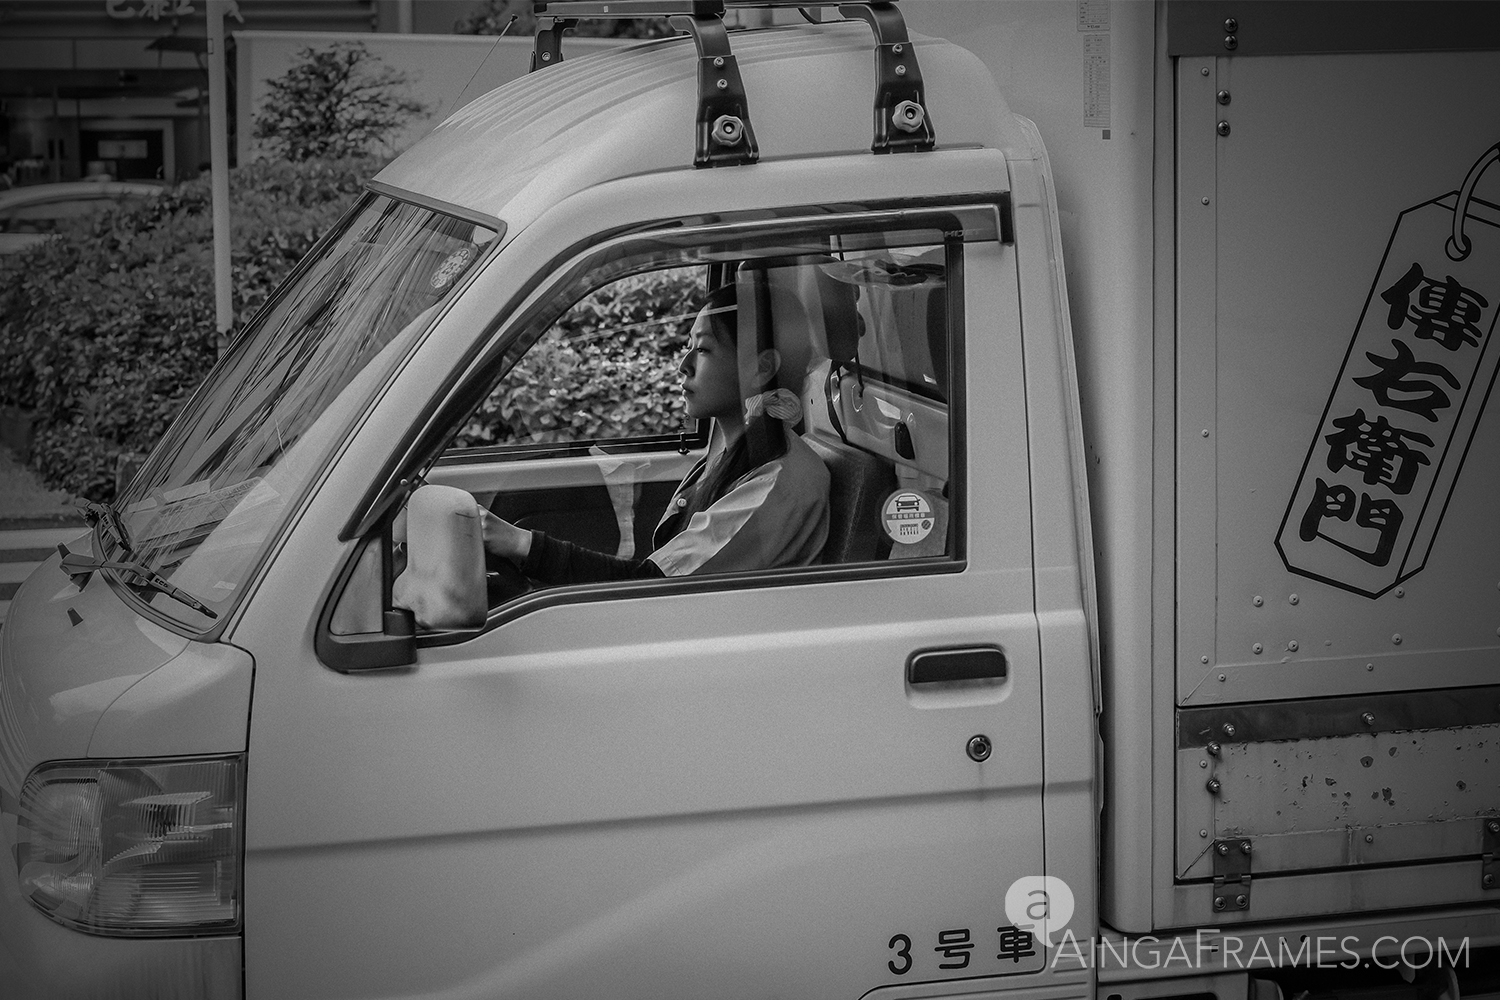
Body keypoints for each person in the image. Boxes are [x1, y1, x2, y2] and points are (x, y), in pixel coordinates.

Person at [481, 282, 830, 582]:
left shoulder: (778, 482)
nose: (684, 365)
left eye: (704, 349)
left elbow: (653, 586)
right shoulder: (734, 449)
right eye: (688, 346)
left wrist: (519, 543)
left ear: (762, 367)